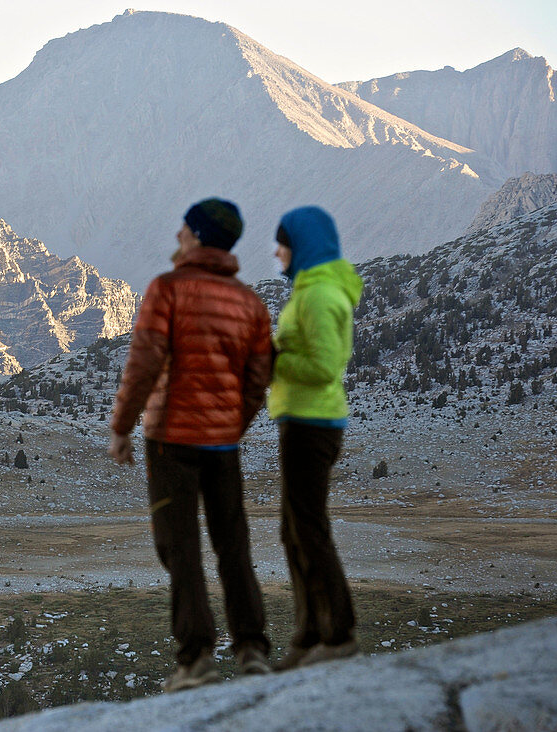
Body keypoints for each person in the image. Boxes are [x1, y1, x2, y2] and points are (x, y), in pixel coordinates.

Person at [108, 198, 273, 691]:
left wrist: (122, 426)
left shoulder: (168, 290)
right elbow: (258, 377)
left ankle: (196, 657)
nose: (178, 234)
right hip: (222, 443)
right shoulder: (249, 302)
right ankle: (252, 649)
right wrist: (231, 423)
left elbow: (144, 362)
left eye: (184, 228)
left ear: (198, 235)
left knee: (179, 546)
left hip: (171, 441)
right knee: (233, 544)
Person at [268, 206, 363, 670]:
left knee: (308, 527)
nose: (277, 251)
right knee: (293, 530)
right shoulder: (308, 290)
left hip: (314, 424)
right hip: (301, 422)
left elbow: (326, 367)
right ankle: (307, 634)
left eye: (282, 243)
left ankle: (338, 630)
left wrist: (273, 362)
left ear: (302, 245)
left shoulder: (321, 294)